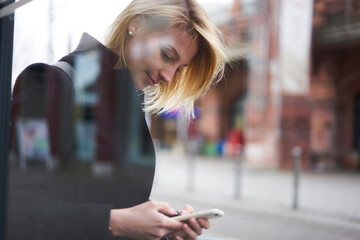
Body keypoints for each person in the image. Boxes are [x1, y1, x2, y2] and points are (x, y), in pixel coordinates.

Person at [8, 0, 226, 239]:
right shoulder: (50, 86)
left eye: (180, 68)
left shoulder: (130, 107)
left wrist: (163, 229)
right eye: (166, 55)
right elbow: (15, 206)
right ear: (136, 23)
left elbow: (112, 201)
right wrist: (116, 222)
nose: (169, 76)